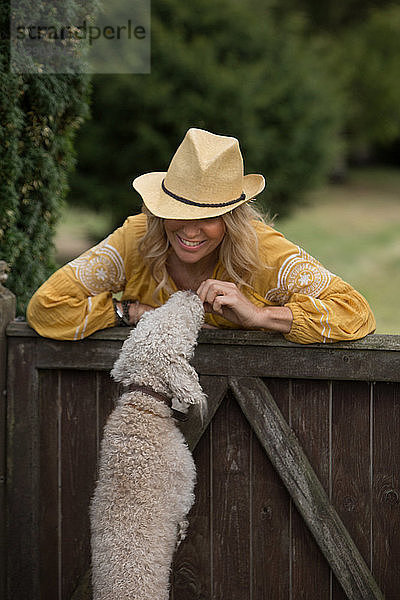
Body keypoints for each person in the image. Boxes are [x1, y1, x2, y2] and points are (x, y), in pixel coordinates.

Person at [27, 127, 376, 344]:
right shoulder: (136, 238)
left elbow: (355, 313)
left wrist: (258, 316)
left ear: (232, 219)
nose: (190, 230)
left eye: (208, 218)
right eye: (178, 214)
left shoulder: (263, 251)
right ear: (160, 210)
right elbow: (47, 309)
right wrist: (133, 313)